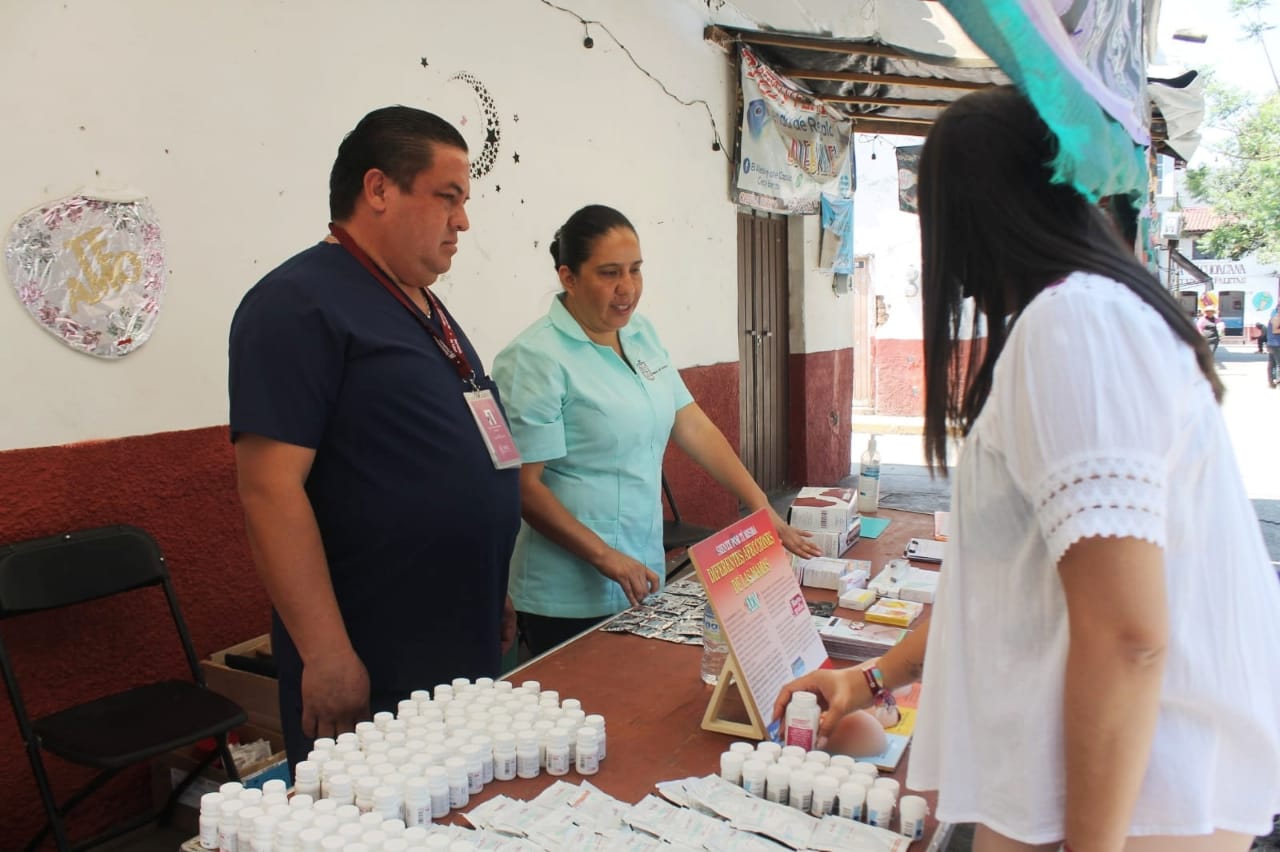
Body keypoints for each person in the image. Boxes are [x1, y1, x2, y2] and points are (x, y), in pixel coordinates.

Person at [775, 86, 1280, 852]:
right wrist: (873, 679)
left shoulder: (1076, 323)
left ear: (976, 209)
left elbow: (1125, 637)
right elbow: (1005, 581)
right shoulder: (1080, 317)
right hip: (1104, 797)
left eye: (931, 210)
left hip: (1136, 805)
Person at [229, 106, 521, 768]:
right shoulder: (297, 304)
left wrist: (489, 579)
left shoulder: (418, 302)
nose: (464, 221)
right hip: (377, 657)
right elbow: (269, 490)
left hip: (459, 641)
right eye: (448, 198)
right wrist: (327, 653)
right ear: (379, 189)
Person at [492, 204, 821, 656]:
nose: (627, 289)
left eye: (635, 270)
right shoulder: (535, 357)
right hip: (567, 593)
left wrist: (759, 505)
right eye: (608, 273)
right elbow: (525, 487)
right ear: (568, 277)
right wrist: (607, 558)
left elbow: (693, 426)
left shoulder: (640, 334)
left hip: (641, 570)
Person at [1268, 306, 1280, 388]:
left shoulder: (1274, 318)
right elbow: (1275, 330)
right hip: (1276, 344)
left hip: (1272, 344)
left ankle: (1271, 381)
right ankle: (1276, 380)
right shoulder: (1276, 318)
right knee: (1277, 363)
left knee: (1272, 363)